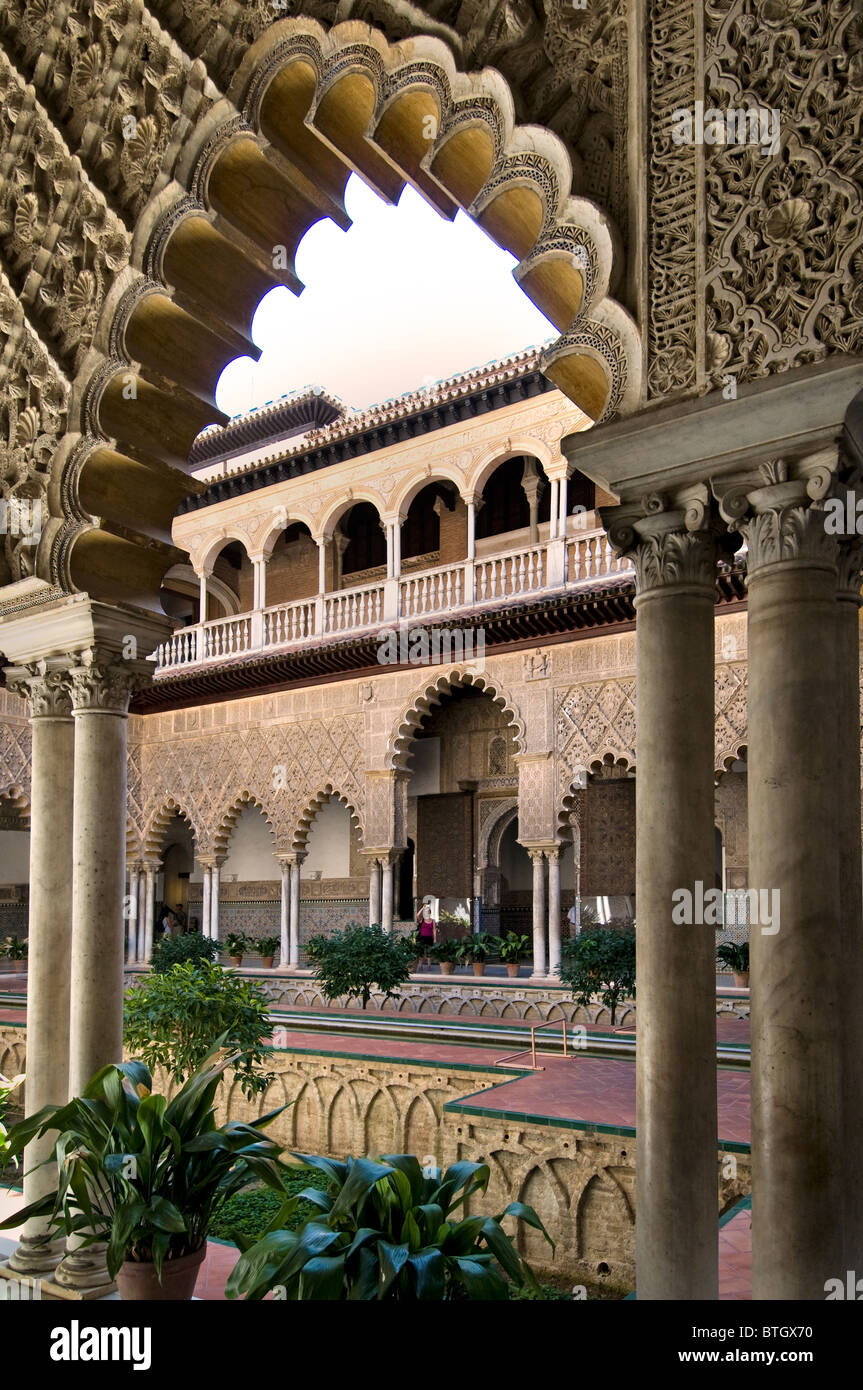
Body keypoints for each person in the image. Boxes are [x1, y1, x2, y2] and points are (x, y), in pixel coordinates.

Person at [415, 902, 437, 970]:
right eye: (426, 912)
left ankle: (429, 966)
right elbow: (417, 915)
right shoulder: (422, 920)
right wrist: (422, 908)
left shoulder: (433, 921)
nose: (427, 913)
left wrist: (435, 938)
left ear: (430, 913)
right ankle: (420, 965)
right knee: (421, 952)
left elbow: (434, 930)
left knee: (429, 952)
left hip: (429, 938)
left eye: (428, 912)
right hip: (422, 937)